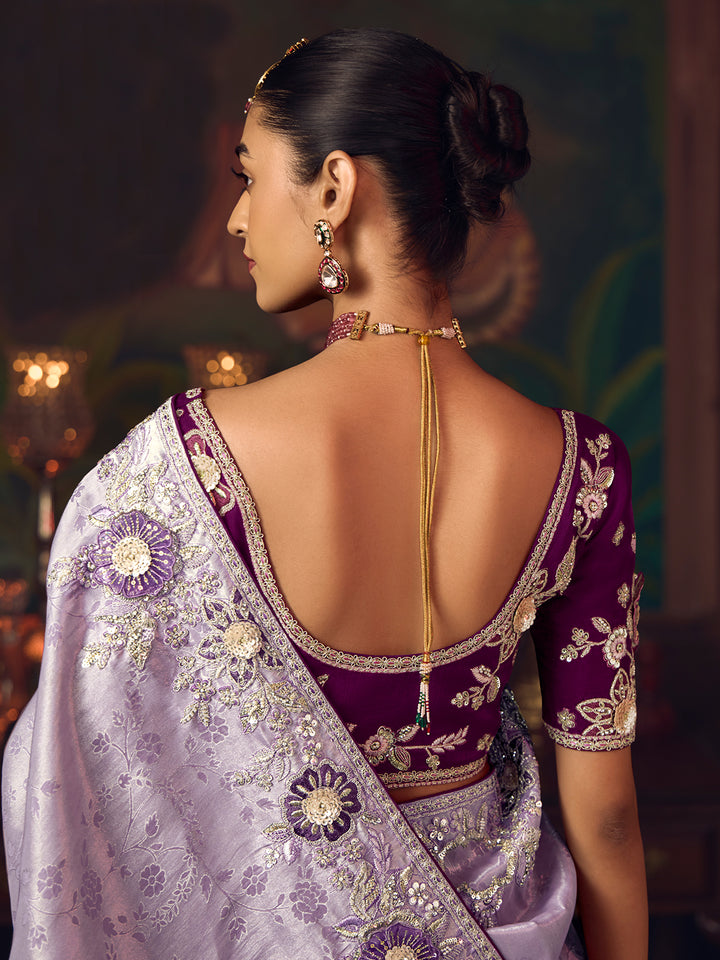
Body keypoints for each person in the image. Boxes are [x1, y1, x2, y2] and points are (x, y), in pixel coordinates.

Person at [2, 28, 647, 960]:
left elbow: (85, 784)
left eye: (250, 175)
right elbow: (610, 819)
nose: (234, 220)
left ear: (335, 190)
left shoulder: (184, 460)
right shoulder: (581, 469)